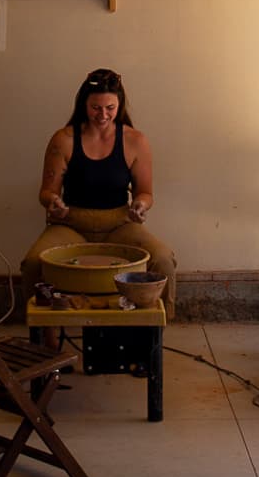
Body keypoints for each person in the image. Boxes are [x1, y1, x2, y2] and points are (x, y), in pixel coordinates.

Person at [20, 68, 178, 312]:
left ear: (120, 105)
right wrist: (52, 201)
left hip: (120, 223)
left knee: (163, 259)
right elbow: (46, 192)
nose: (103, 115)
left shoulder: (135, 140)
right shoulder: (64, 139)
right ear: (84, 104)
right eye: (96, 107)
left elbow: (145, 193)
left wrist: (141, 206)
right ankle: (44, 337)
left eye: (110, 108)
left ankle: (154, 331)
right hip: (71, 223)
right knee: (33, 263)